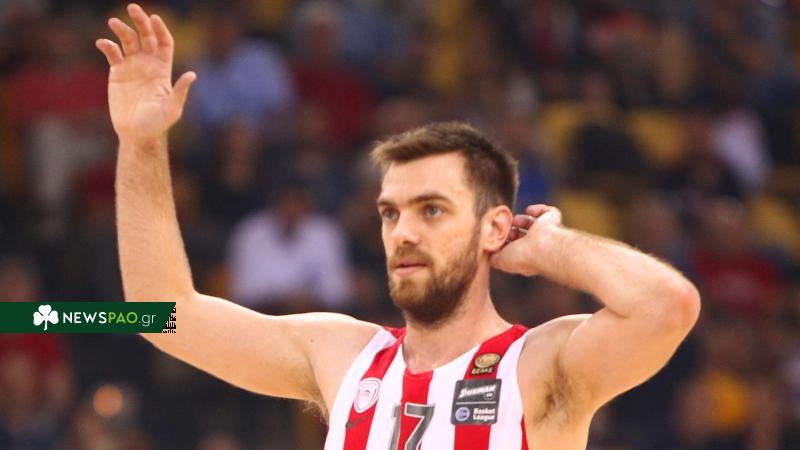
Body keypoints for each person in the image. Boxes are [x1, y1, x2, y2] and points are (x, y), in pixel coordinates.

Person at [95, 4, 701, 449]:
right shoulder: (342, 354)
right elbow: (161, 312)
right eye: (391, 212)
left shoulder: (538, 363)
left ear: (494, 228)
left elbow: (666, 306)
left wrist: (551, 246)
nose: (403, 232)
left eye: (431, 209)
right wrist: (142, 143)